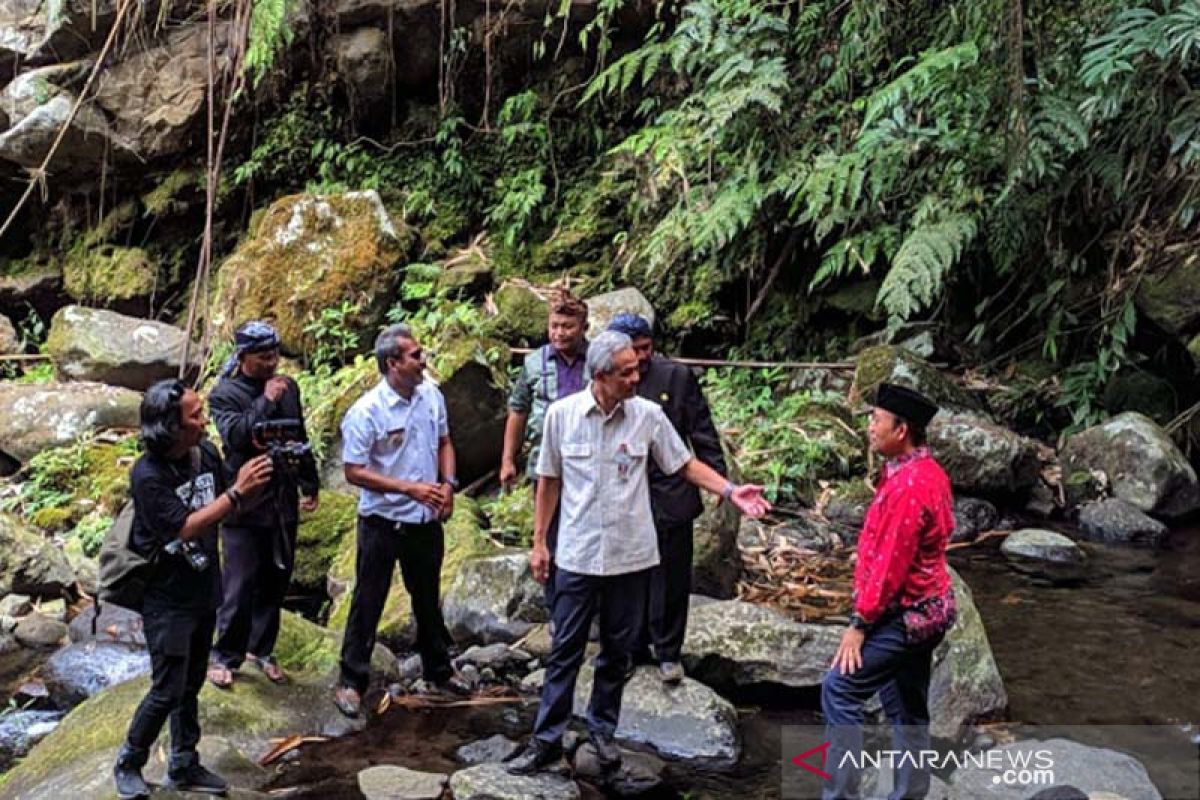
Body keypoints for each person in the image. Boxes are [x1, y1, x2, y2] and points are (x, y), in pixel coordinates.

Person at [504, 331, 771, 775]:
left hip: (633, 557)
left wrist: (729, 489)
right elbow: (548, 480)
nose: (637, 376)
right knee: (565, 650)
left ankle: (602, 734)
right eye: (626, 371)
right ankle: (546, 739)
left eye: (636, 368)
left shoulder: (648, 416)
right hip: (577, 554)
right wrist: (538, 542)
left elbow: (682, 463)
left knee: (617, 652)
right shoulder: (562, 416)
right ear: (602, 375)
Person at [113, 379, 273, 799]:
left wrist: (261, 481)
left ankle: (184, 762)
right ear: (170, 426)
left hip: (203, 586)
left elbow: (226, 504)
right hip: (165, 597)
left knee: (192, 682)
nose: (205, 422)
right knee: (167, 687)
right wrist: (238, 492)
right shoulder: (146, 474)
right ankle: (129, 761)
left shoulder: (206, 454)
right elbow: (183, 525)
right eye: (195, 416)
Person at [821, 383, 957, 800]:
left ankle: (841, 795)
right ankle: (910, 793)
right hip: (931, 610)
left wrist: (860, 623)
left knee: (840, 689)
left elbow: (890, 567)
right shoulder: (925, 471)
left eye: (876, 419)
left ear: (902, 430)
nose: (869, 426)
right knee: (906, 707)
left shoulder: (909, 486)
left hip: (908, 613)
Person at [332, 323, 469, 718]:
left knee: (427, 596)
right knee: (368, 599)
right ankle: (351, 681)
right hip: (382, 521)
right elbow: (354, 471)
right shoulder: (366, 412)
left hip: (424, 519)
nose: (423, 361)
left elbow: (444, 442)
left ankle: (439, 670)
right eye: (416, 355)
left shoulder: (431, 396)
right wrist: (407, 488)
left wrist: (448, 485)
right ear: (393, 363)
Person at [606, 313, 726, 684]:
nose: (641, 359)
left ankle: (669, 652)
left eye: (646, 349)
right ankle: (632, 648)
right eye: (634, 350)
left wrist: (717, 478)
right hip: (627, 493)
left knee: (672, 577)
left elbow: (700, 429)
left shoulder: (676, 376)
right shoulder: (608, 380)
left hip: (673, 490)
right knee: (629, 577)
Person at [206, 321, 319, 688]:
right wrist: (266, 399)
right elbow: (237, 435)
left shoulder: (290, 388)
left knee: (276, 577)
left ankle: (263, 649)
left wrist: (309, 482)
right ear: (243, 357)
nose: (272, 363)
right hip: (245, 499)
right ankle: (225, 655)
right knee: (239, 581)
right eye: (263, 358)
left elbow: (298, 435)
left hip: (282, 496)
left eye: (275, 356)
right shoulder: (225, 394)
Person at [500, 288, 590, 607]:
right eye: (554, 326)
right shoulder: (535, 362)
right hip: (544, 460)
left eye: (567, 327)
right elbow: (518, 408)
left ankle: (588, 605)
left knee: (585, 533)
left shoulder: (596, 360)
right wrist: (508, 459)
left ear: (583, 328)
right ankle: (557, 608)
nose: (559, 333)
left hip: (588, 464)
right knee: (548, 534)